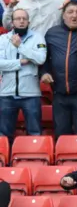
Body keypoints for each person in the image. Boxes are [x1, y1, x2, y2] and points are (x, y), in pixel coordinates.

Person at [42, 1, 77, 139]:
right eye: (70, 12)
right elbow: (44, 59)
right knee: (61, 135)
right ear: (63, 15)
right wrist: (44, 72)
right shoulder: (51, 33)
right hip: (59, 93)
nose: (74, 16)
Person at [0, 9, 47, 142]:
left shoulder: (37, 37)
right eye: (18, 19)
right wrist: (20, 62)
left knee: (35, 132)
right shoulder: (3, 39)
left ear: (28, 21)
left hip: (31, 94)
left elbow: (40, 59)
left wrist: (20, 46)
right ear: (12, 22)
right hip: (6, 93)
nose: (21, 21)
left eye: (24, 19)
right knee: (3, 134)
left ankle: (36, 159)